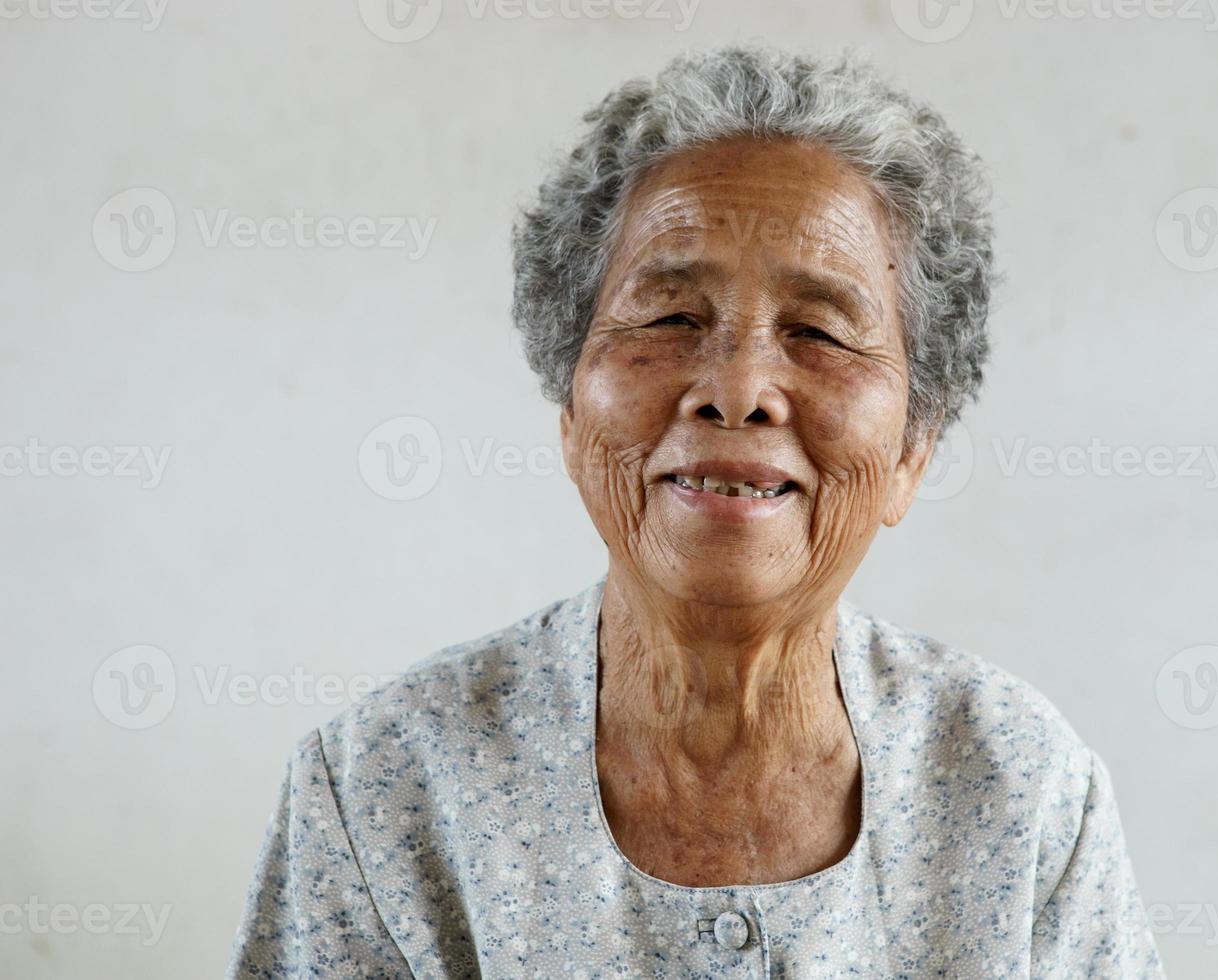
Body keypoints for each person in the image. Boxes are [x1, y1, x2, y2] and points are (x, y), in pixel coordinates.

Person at [228, 45, 1164, 978]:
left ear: (914, 450)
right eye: (671, 318)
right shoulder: (384, 787)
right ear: (568, 404)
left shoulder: (1020, 787)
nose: (738, 390)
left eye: (820, 332)